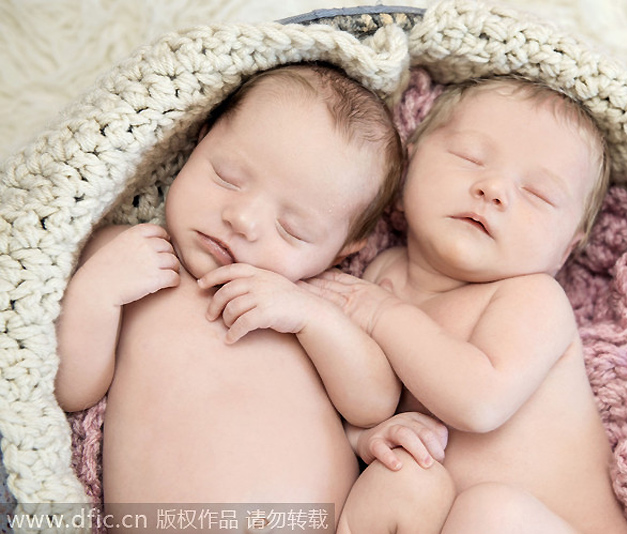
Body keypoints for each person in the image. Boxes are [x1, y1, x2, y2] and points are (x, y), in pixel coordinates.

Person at [54, 63, 405, 529]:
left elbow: (374, 402)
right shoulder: (127, 256)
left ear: (341, 251)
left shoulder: (319, 301)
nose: (243, 219)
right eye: (228, 177)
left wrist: (310, 318)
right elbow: (71, 389)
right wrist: (95, 293)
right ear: (199, 141)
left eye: (292, 228)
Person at [308, 76, 627, 533]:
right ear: (409, 162)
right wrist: (367, 437)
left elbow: (479, 401)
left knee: (492, 513)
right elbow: (350, 396)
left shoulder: (532, 299)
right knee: (403, 477)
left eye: (538, 194)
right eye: (470, 158)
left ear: (566, 249)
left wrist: (382, 313)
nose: (494, 188)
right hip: (441, 519)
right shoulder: (380, 274)